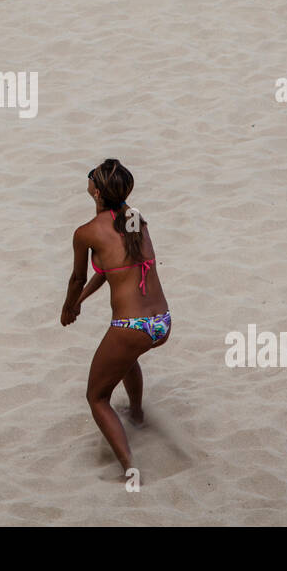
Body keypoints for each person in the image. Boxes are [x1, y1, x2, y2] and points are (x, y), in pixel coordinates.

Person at [60, 159, 171, 475]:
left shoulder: (86, 233)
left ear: (96, 192)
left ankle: (130, 469)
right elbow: (114, 269)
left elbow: (76, 278)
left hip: (131, 327)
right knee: (124, 358)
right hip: (160, 322)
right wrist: (82, 301)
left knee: (96, 397)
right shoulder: (136, 221)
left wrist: (69, 307)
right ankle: (136, 414)